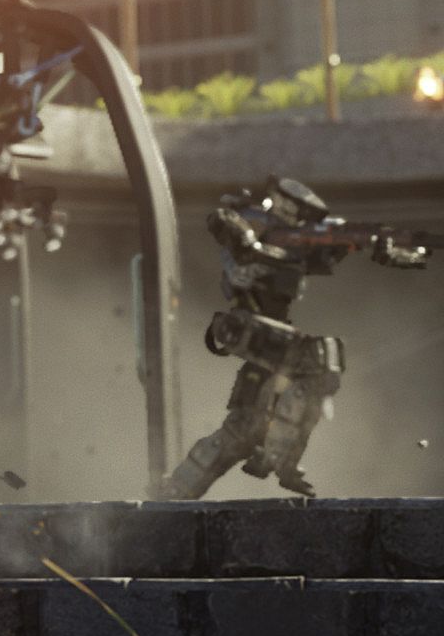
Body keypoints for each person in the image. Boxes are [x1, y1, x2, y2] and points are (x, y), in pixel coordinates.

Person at [161, 175, 429, 499]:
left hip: (264, 330)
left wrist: (391, 250)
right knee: (321, 356)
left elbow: (345, 243)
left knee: (244, 428)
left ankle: (176, 491)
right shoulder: (248, 222)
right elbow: (224, 225)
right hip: (241, 325)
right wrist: (255, 243)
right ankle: (278, 459)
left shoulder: (298, 245)